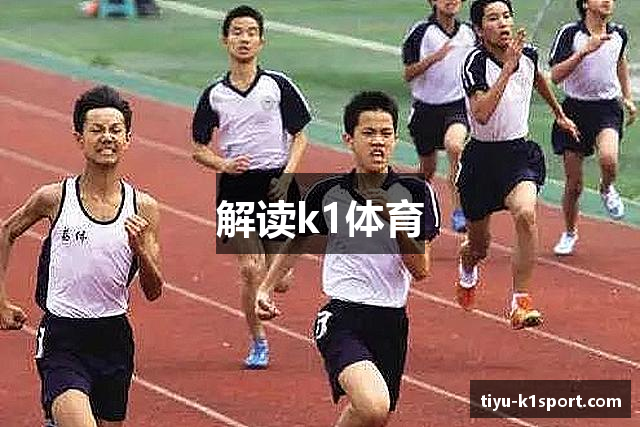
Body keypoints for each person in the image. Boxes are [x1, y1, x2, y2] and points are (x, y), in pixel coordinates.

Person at [255, 91, 440, 426]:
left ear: (396, 139)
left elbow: (421, 269)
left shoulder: (416, 193)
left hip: (391, 321)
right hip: (342, 317)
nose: (378, 142)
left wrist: (395, 220)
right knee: (372, 406)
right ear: (349, 139)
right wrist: (265, 289)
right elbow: (297, 240)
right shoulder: (328, 192)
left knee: (372, 416)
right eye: (368, 133)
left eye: (386, 133)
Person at [0, 85, 164, 427]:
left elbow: (153, 290)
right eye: (97, 130)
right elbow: (6, 232)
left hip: (114, 338)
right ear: (79, 138)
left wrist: (140, 252)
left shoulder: (143, 207)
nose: (107, 138)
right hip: (63, 338)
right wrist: (0, 302)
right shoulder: (54, 198)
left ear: (128, 139)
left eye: (115, 130)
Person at [190, 5, 311, 369]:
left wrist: (288, 175)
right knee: (249, 268)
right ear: (225, 40)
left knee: (281, 280)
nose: (244, 39)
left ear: (261, 41)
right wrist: (223, 164)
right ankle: (258, 341)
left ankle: (269, 288)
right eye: (237, 32)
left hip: (277, 182)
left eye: (251, 33)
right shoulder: (214, 94)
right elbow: (198, 148)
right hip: (236, 187)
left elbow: (301, 135)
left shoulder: (278, 85)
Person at [454, 0, 579, 328]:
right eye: (493, 18)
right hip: (481, 160)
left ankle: (520, 302)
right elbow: (481, 113)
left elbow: (539, 79)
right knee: (479, 247)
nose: (503, 23)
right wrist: (508, 68)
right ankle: (467, 268)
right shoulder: (474, 63)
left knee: (525, 213)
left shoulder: (528, 55)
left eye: (506, 16)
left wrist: (559, 114)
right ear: (479, 29)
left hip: (517, 154)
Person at [549, 0, 637, 256]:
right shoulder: (570, 33)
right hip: (574, 110)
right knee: (574, 185)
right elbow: (555, 76)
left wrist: (627, 97)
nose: (607, 1)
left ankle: (606, 188)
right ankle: (569, 232)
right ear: (586, 3)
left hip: (607, 108)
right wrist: (584, 52)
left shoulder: (619, 33)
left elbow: (620, 61)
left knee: (609, 159)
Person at [402, 0, 476, 233]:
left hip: (456, 106)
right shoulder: (421, 32)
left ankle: (459, 210)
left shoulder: (469, 32)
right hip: (426, 109)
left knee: (455, 147)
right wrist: (434, 58)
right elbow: (408, 73)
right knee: (427, 170)